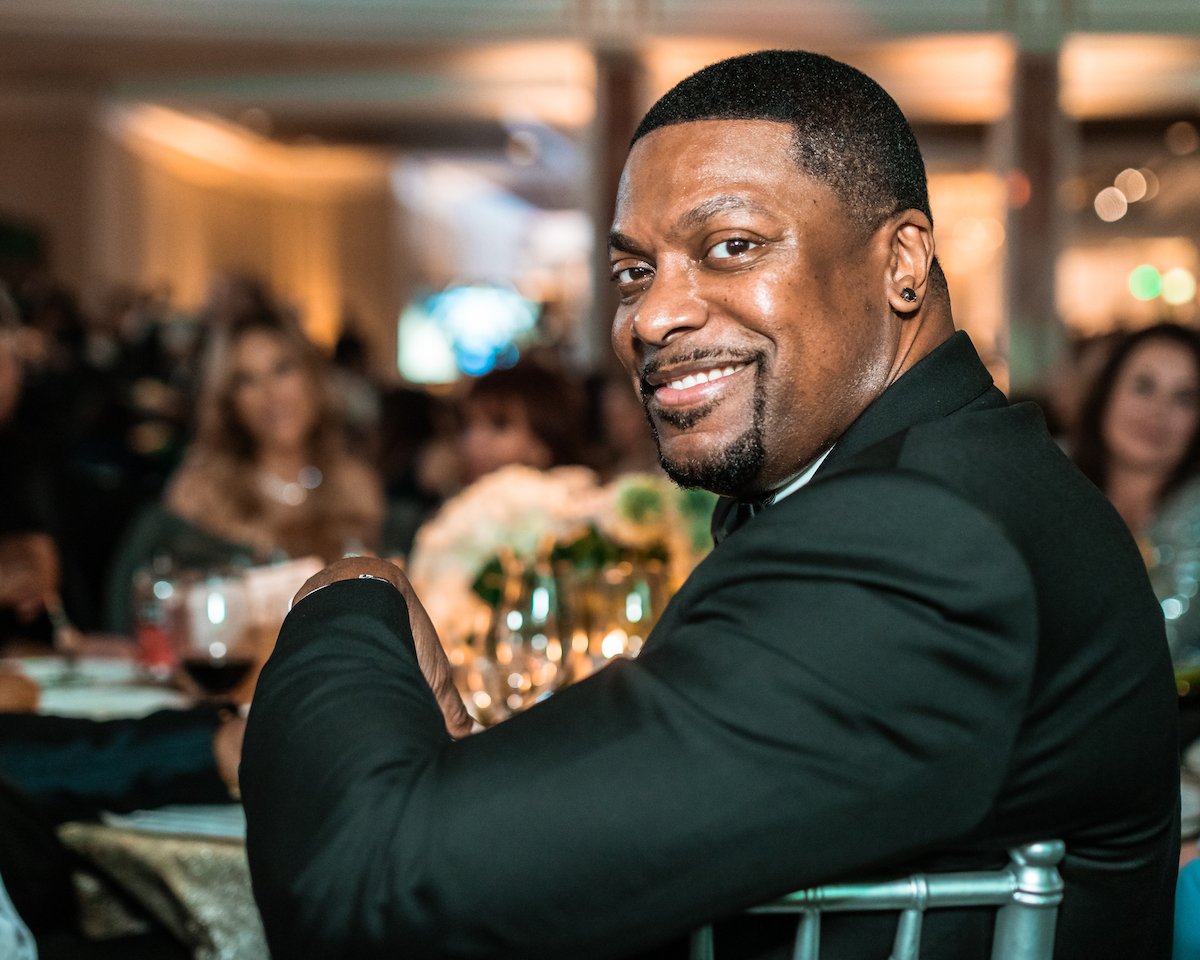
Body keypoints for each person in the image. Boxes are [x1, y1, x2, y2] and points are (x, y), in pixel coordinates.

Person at [240, 50, 1178, 960]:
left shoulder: (921, 539)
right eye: (634, 272)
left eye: (730, 247)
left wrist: (350, 598)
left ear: (903, 262)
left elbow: (358, 887)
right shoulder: (939, 479)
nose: (650, 317)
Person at [106, 307, 385, 633]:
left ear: (312, 376)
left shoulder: (356, 485)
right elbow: (149, 611)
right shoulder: (200, 489)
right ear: (230, 402)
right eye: (247, 380)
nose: (272, 395)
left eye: (282, 369)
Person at [1070, 323, 1200, 666]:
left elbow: (1159, 645)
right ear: (1106, 391)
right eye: (1144, 386)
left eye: (1184, 397)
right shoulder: (1043, 475)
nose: (1159, 412)